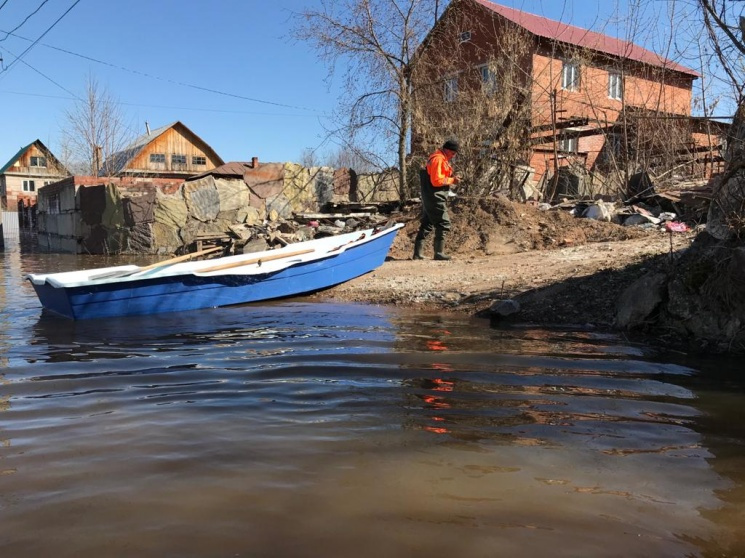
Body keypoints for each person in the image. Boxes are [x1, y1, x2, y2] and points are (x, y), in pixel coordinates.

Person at [413, 138, 461, 261]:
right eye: (453, 153)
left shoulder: (438, 158)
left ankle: (418, 253)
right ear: (447, 150)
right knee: (443, 223)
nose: (453, 156)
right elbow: (436, 181)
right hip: (434, 196)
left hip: (431, 196)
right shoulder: (438, 159)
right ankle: (438, 253)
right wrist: (452, 180)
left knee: (427, 224)